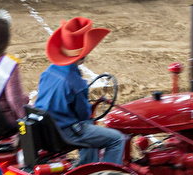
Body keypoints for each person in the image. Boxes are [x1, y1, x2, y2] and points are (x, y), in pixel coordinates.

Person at [34, 16, 126, 165]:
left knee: (87, 127)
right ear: (84, 55)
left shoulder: (48, 71)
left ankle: (87, 164)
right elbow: (83, 114)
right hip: (65, 133)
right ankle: (107, 174)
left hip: (46, 129)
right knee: (117, 139)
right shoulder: (77, 83)